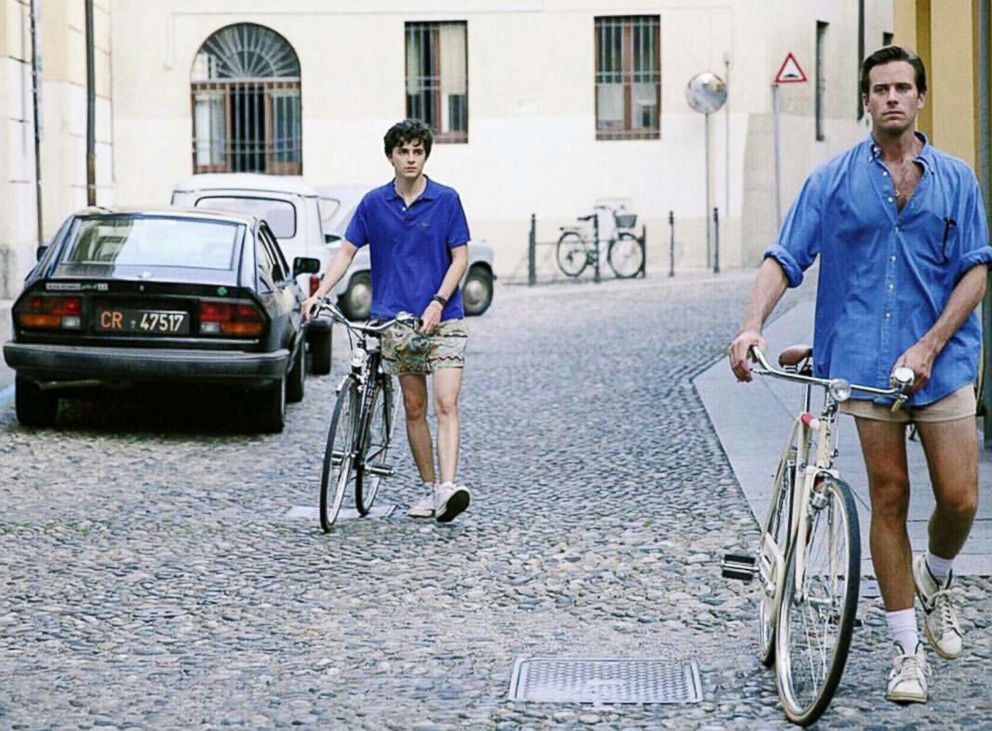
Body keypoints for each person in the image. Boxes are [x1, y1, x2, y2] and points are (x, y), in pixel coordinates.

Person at [729, 45, 991, 704]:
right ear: (866, 101)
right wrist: (752, 323)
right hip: (865, 365)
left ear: (921, 97)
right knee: (889, 496)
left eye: (904, 87)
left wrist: (929, 346)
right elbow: (784, 256)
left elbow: (977, 269)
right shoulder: (832, 181)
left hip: (944, 357)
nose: (893, 98)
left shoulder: (957, 178)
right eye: (881, 89)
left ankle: (935, 578)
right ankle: (906, 650)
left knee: (959, 498)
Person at [303, 119, 472, 523]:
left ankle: (448, 488)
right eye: (404, 152)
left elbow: (460, 258)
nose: (411, 159)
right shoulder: (373, 204)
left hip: (443, 317)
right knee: (414, 407)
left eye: (418, 151)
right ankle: (432, 490)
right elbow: (345, 253)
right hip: (395, 319)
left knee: (446, 403)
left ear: (425, 156)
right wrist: (320, 293)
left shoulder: (446, 200)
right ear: (391, 156)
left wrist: (437, 301)